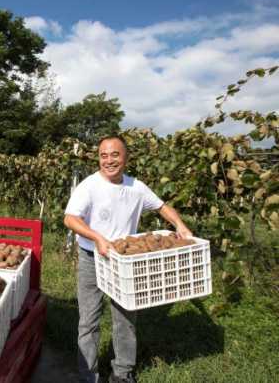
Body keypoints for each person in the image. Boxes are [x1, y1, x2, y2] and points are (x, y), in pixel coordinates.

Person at [63, 135, 192, 383]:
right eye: (103, 155)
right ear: (98, 158)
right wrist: (97, 238)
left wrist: (181, 226)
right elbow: (70, 218)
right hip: (92, 258)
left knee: (126, 319)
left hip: (125, 262)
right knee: (89, 319)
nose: (109, 160)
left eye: (115, 155)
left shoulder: (136, 187)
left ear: (126, 158)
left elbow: (162, 206)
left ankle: (122, 374)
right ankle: (87, 374)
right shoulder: (89, 186)